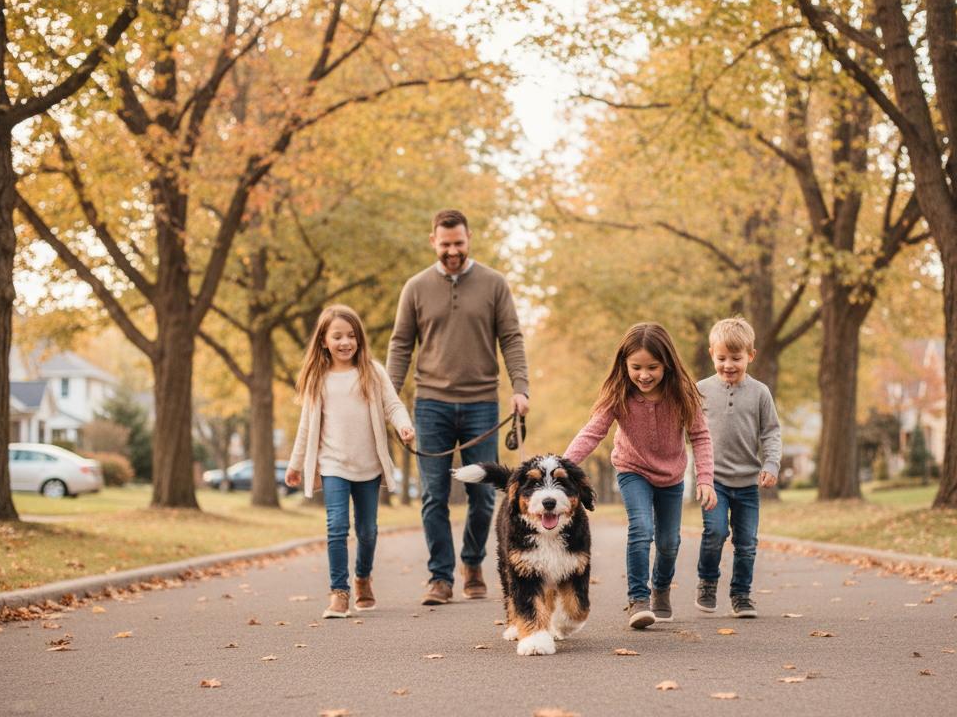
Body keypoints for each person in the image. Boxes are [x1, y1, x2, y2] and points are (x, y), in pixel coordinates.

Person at [386, 209, 530, 605]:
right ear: (432, 240)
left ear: (469, 239)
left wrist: (521, 388)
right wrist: (389, 395)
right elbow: (400, 345)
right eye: (445, 243)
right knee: (434, 494)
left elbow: (512, 338)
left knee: (484, 494)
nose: (453, 250)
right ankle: (440, 577)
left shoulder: (494, 283)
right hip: (430, 402)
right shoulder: (415, 287)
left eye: (459, 243)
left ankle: (473, 562)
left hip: (482, 402)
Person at [564, 322, 715, 628]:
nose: (644, 375)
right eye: (636, 367)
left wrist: (705, 478)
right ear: (624, 364)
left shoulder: (682, 393)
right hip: (632, 469)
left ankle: (660, 589)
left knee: (669, 541)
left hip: (672, 475)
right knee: (642, 528)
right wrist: (562, 466)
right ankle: (638, 599)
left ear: (667, 365)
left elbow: (700, 436)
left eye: (652, 367)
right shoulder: (619, 393)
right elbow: (593, 432)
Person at [285, 305, 415, 619]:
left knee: (368, 530)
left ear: (359, 339)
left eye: (351, 335)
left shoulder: (372, 371)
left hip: (368, 465)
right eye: (338, 336)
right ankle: (339, 592)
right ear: (323, 341)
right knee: (337, 527)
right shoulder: (318, 378)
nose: (346, 342)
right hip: (332, 466)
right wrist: (295, 464)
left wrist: (404, 425)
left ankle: (362, 577)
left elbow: (393, 405)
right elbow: (306, 425)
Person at [693, 316, 781, 618]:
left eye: (736, 358)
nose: (728, 365)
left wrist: (771, 463)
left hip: (747, 483)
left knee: (746, 543)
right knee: (715, 533)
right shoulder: (700, 391)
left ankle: (741, 595)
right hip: (713, 481)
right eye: (721, 358)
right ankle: (707, 581)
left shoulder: (760, 393)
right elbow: (686, 433)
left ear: (750, 356)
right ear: (711, 355)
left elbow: (771, 431)